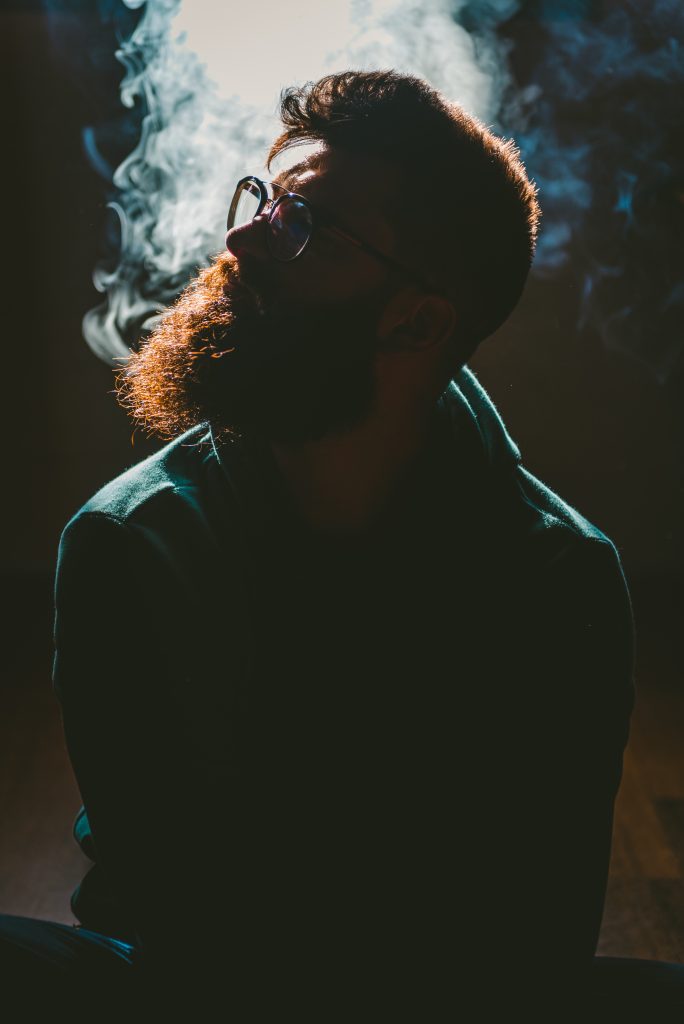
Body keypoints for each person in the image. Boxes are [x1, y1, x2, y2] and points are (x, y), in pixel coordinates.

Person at [1, 68, 680, 1016]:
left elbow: (535, 935)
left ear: (419, 320)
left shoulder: (558, 575)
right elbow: (176, 915)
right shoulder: (129, 542)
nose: (243, 238)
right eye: (262, 201)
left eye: (302, 225)